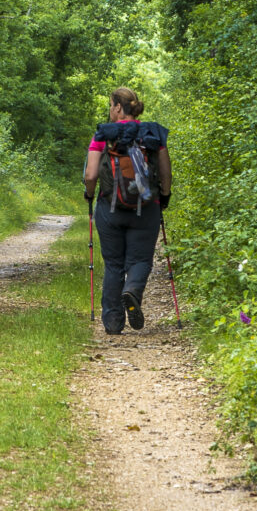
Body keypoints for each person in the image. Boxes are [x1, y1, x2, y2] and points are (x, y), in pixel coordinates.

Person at [83, 86, 172, 334]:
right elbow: (165, 172)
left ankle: (113, 323)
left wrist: (89, 194)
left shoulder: (103, 134)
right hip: (147, 207)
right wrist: (164, 196)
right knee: (141, 259)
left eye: (111, 105)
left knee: (113, 264)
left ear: (118, 107)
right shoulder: (153, 133)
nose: (110, 111)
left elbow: (90, 174)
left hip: (110, 207)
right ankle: (132, 290)